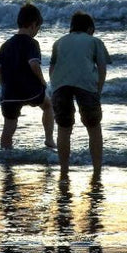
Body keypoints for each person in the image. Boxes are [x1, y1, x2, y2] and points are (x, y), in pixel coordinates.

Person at [49, 11, 111, 178]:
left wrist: (54, 86)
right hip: (86, 84)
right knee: (93, 127)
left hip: (60, 85)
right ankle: (97, 170)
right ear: (90, 28)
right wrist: (98, 90)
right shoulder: (94, 41)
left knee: (64, 127)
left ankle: (64, 170)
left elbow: (52, 68)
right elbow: (102, 69)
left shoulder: (59, 42)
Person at [0, 2, 55, 150]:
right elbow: (34, 65)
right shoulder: (32, 43)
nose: (37, 32)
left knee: (9, 126)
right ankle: (49, 139)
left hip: (9, 93)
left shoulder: (6, 44)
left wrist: (4, 86)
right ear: (34, 24)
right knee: (47, 105)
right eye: (38, 28)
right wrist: (43, 82)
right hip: (30, 90)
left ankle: (5, 153)